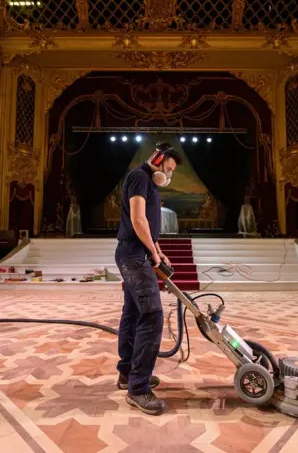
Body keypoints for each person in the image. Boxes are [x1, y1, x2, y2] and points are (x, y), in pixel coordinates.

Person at [114, 142, 182, 415]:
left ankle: (127, 375)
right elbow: (138, 220)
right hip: (133, 255)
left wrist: (159, 251)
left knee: (133, 313)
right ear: (157, 158)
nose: (169, 174)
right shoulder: (139, 177)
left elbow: (149, 228)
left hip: (137, 253)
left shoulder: (148, 183)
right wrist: (152, 252)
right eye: (168, 168)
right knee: (152, 314)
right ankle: (138, 389)